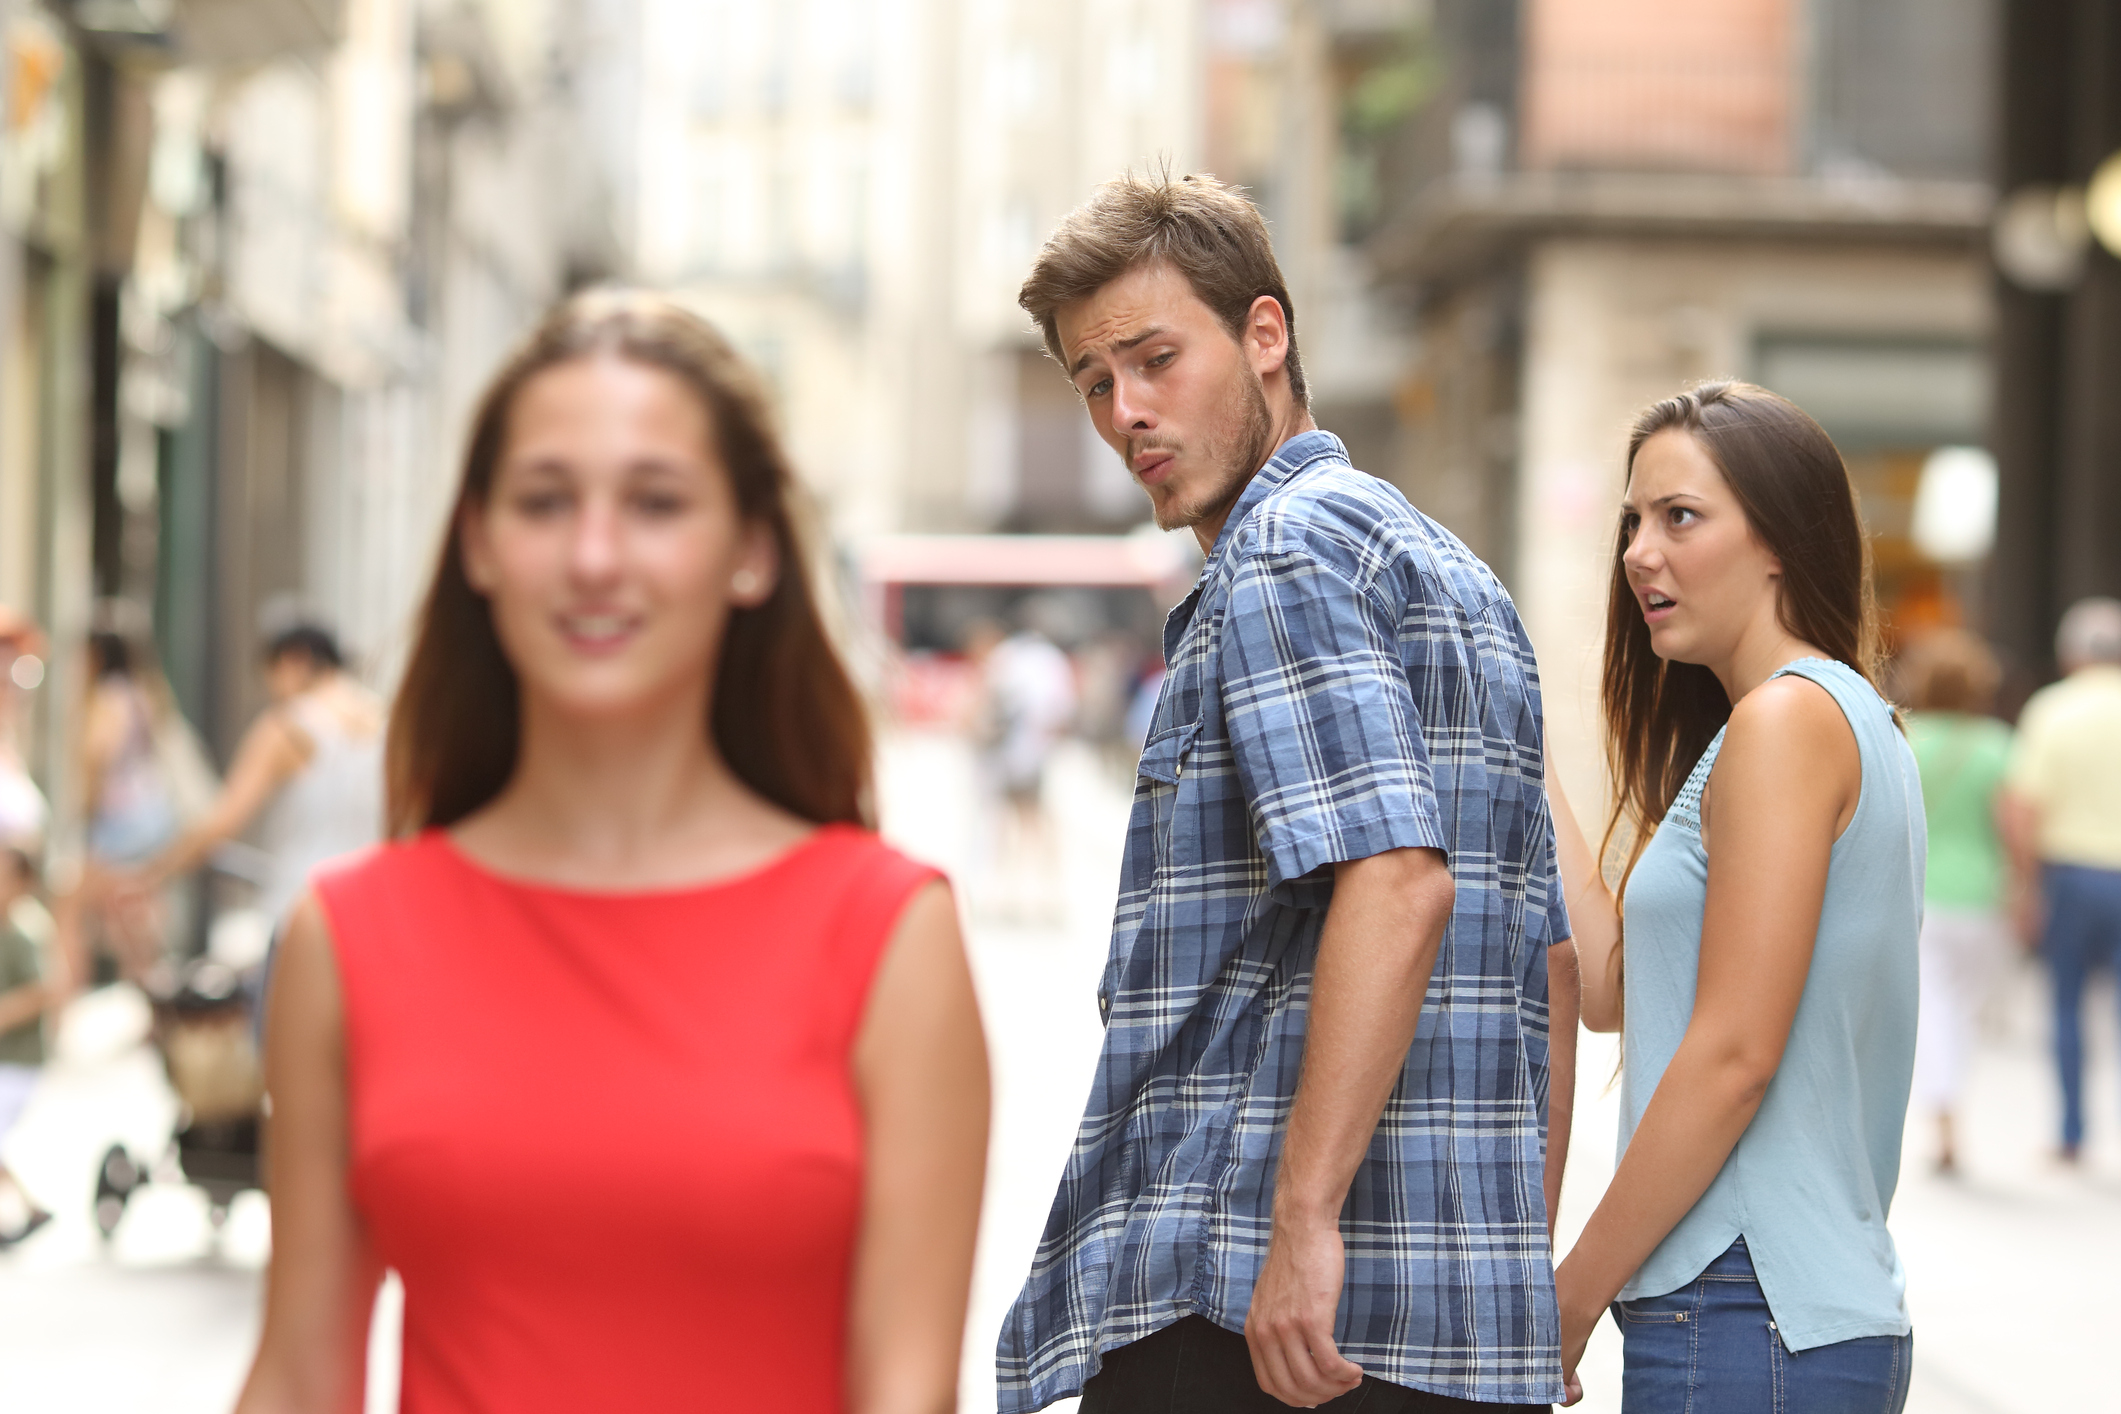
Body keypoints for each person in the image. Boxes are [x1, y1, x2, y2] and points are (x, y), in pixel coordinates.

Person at [234, 289, 988, 1413]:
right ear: (480, 543)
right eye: (544, 500)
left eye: (655, 502)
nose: (594, 555)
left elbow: (908, 1395)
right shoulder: (345, 938)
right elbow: (299, 1379)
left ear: (751, 551)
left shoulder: (889, 937)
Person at [999, 171, 1577, 1413]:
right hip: (1454, 1324)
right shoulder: (1457, 574)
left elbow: (1398, 880)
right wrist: (1521, 1275)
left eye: (1156, 357)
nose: (1127, 412)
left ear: (1266, 333)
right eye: (1094, 382)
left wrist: (1304, 1220)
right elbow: (1549, 959)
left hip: (1259, 1315)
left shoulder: (1284, 548)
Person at [1544, 382, 1922, 1411]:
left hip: (1750, 1309)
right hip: (1775, 1314)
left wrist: (1570, 1296)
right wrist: (1520, 742)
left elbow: (1731, 1057)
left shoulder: (1785, 725)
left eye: (1680, 516)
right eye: (1633, 519)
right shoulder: (1835, 720)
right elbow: (1617, 988)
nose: (1638, 551)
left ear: (1779, 543)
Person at [124, 622, 385, 937]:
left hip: (303, 908)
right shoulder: (387, 723)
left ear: (295, 660)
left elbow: (223, 820)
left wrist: (153, 874)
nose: (272, 691)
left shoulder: (288, 725)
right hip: (373, 913)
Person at [2002, 596, 2121, 1164]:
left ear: (2073, 654)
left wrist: (2025, 887)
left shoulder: (2052, 710)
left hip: (2070, 874)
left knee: (2067, 1005)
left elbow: (2025, 806)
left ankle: (2073, 1132)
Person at [1901, 629, 2015, 1174]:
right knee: (1962, 1010)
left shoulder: (1908, 740)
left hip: (1922, 895)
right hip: (1982, 895)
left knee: (1936, 1007)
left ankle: (1943, 1117)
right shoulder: (1997, 744)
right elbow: (2013, 827)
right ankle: (1950, 1110)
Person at [0, 844, 57, 1248]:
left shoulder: (27, 929)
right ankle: (31, 1206)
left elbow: (46, 988)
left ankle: (32, 1206)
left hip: (18, 1061)